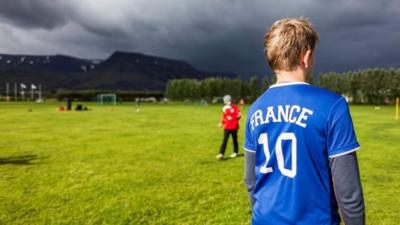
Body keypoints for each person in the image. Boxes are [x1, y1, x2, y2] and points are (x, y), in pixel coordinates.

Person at [244, 18, 365, 225]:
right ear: (306, 56)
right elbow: (348, 190)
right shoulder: (332, 105)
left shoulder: (255, 109)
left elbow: (250, 180)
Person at [216, 95, 241, 159]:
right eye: (227, 101)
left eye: (230, 100)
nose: (229, 102)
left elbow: (238, 116)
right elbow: (224, 117)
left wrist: (234, 117)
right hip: (227, 127)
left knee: (234, 140)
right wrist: (222, 123)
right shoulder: (224, 108)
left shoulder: (235, 108)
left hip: (234, 127)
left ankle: (235, 152)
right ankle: (221, 154)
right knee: (225, 140)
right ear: (225, 102)